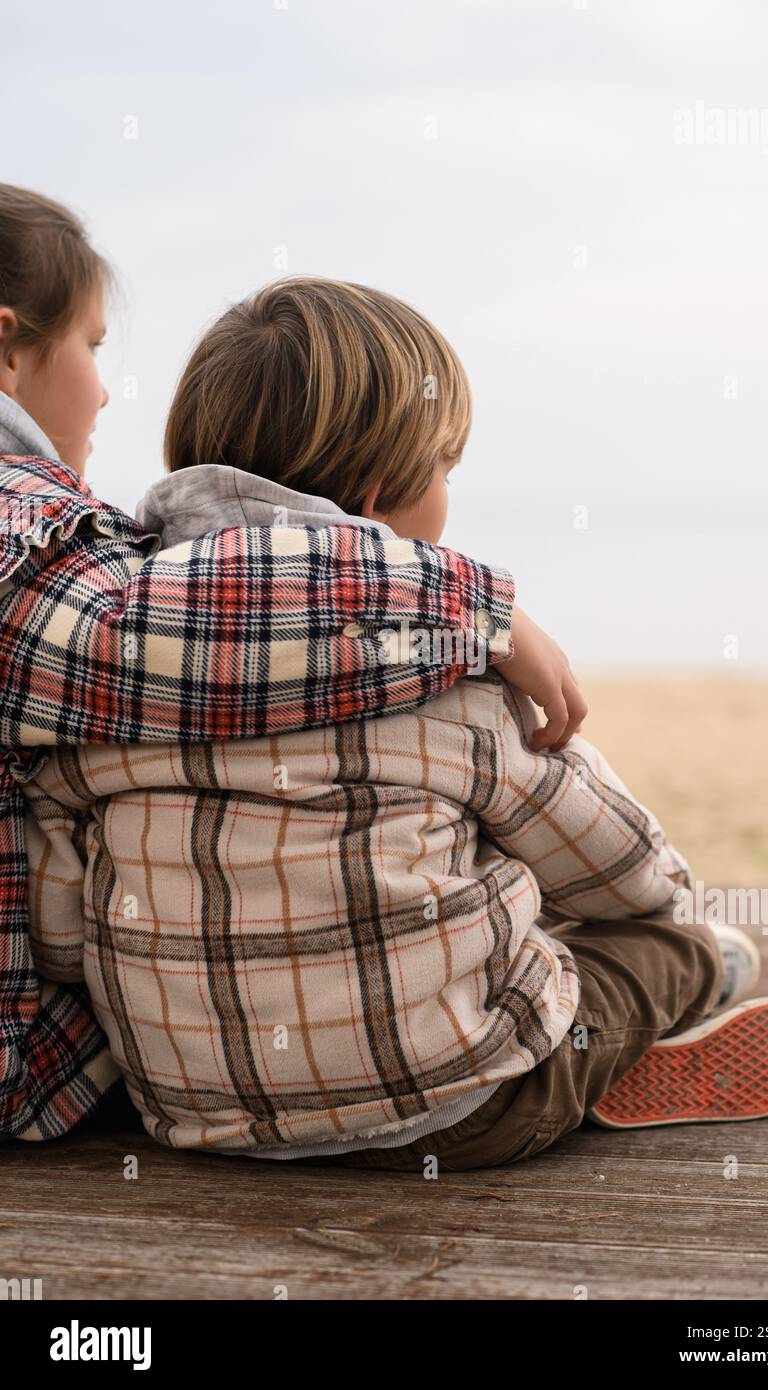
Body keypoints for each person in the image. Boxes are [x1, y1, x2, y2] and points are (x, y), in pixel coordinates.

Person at [20, 276, 768, 1168]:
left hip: (197, 1115)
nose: (448, 492)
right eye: (445, 468)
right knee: (662, 941)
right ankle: (665, 1012)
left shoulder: (109, 689)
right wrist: (664, 914)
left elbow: (59, 933)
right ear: (375, 497)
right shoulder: (451, 680)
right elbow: (621, 872)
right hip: (460, 1110)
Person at [0, 184, 583, 1141]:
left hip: (163, 1086)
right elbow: (142, 638)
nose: (105, 389)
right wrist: (479, 613)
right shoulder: (23, 532)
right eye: (92, 346)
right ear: (11, 347)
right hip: (40, 1065)